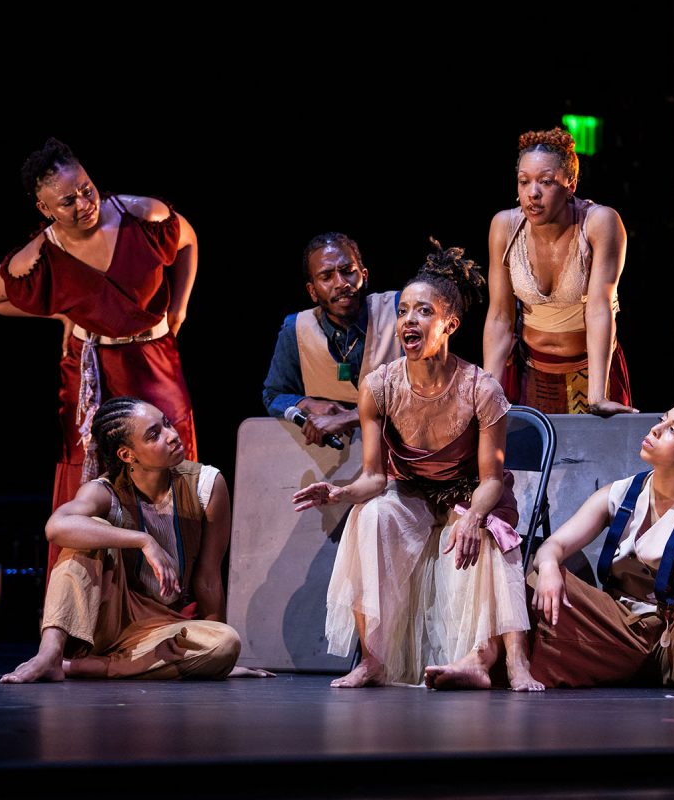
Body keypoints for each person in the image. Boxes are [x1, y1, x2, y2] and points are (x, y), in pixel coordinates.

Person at [294, 240, 541, 691]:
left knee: (482, 529)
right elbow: (373, 477)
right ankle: (373, 659)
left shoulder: (480, 388)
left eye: (424, 311)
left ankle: (494, 662)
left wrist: (476, 518)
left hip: (472, 493)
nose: (409, 319)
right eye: (404, 310)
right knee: (370, 516)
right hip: (412, 493)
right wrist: (339, 493)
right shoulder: (380, 386)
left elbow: (491, 480)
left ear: (450, 323)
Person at [0, 138, 199, 575]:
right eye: (67, 200)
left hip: (154, 359)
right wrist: (61, 312)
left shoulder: (140, 215)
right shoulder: (42, 255)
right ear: (45, 209)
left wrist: (180, 307)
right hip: (93, 367)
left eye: (86, 189)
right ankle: (90, 602)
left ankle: (179, 595)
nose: (84, 203)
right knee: (93, 472)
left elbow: (188, 238)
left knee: (171, 461)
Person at [0, 397, 269, 682]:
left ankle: (81, 667)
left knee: (226, 642)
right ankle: (49, 655)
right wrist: (143, 540)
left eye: (166, 423)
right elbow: (57, 526)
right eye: (154, 434)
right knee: (83, 541)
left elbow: (208, 578)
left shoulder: (206, 485)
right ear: (128, 455)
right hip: (106, 621)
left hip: (161, 630)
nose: (172, 435)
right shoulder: (105, 491)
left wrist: (219, 660)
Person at [527, 402, 674, 695]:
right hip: (618, 629)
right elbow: (555, 544)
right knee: (537, 574)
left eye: (672, 430)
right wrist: (549, 566)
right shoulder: (619, 494)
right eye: (662, 420)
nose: (655, 429)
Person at [484, 127, 635, 416]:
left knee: (594, 457)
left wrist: (597, 396)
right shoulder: (504, 226)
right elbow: (500, 316)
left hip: (591, 369)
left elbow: (599, 307)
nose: (533, 193)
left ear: (571, 184)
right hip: (532, 369)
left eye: (547, 182)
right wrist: (489, 391)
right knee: (529, 459)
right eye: (524, 182)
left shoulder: (600, 222)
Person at [262, 232, 402, 447]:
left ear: (364, 275)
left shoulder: (400, 311)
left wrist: (347, 418)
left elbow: (425, 392)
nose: (341, 283)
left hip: (403, 452)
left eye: (348, 272)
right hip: (335, 460)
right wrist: (308, 403)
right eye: (327, 276)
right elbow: (273, 395)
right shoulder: (295, 329)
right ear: (312, 291)